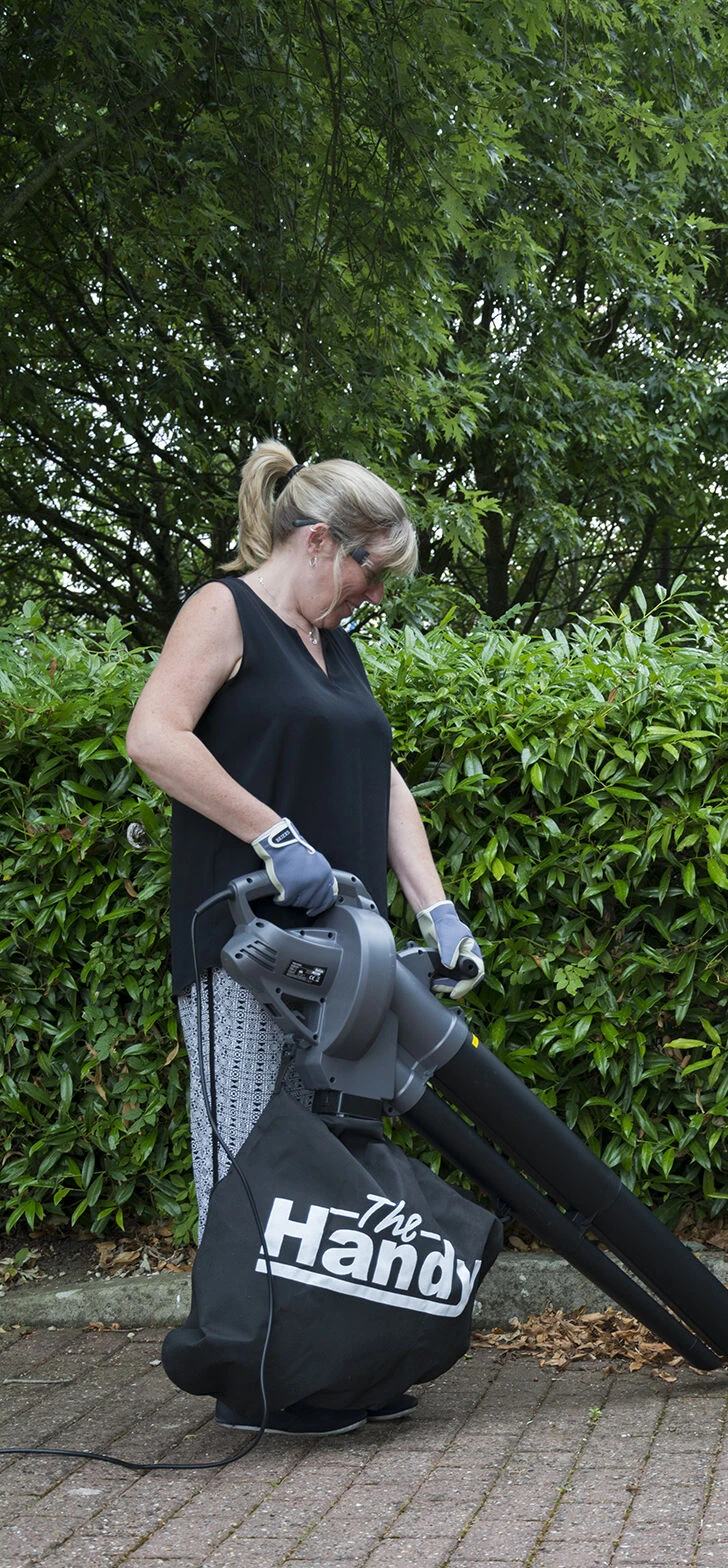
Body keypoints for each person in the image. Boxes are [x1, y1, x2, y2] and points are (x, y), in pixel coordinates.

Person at [126, 441, 484, 1437]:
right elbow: (155, 733)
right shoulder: (223, 612)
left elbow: (378, 776)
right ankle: (253, 1380)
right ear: (323, 543)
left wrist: (436, 909)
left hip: (344, 958)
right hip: (245, 946)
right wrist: (270, 832)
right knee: (244, 1157)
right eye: (373, 572)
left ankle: (325, 1368)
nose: (374, 596)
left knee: (326, 1163)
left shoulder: (336, 645)